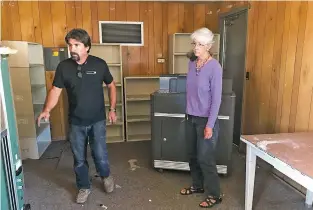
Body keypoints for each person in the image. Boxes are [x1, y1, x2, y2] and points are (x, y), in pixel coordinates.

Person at [37, 28, 117, 204]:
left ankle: (105, 176)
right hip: (76, 122)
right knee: (79, 158)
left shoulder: (99, 64)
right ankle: (84, 186)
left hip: (97, 120)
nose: (72, 48)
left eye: (77, 45)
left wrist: (112, 109)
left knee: (100, 153)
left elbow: (111, 85)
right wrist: (47, 110)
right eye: (70, 45)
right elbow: (55, 90)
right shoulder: (63, 67)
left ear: (87, 47)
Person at [180, 27, 223, 208]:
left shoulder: (215, 67)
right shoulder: (192, 63)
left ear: (209, 46)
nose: (196, 47)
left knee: (205, 158)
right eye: (195, 43)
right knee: (192, 155)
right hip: (190, 117)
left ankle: (215, 194)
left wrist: (210, 125)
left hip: (206, 121)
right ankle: (197, 186)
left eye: (201, 44)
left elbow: (216, 99)